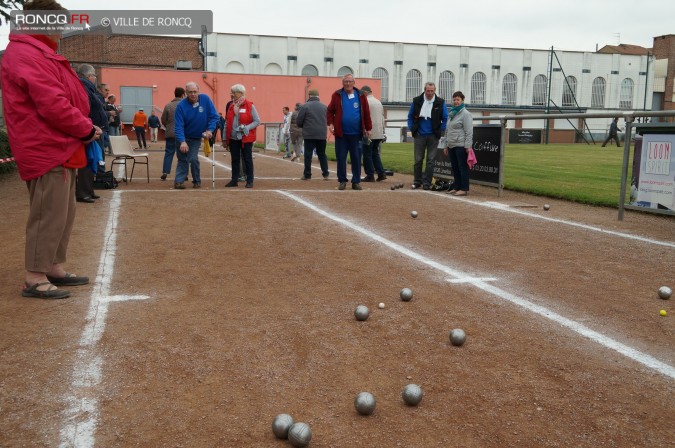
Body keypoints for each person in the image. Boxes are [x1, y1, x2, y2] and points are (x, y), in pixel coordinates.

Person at [1, 0, 102, 299]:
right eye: (57, 22)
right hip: (46, 144)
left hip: (59, 143)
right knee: (48, 213)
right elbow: (52, 103)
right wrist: (85, 127)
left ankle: (52, 266)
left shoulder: (37, 52)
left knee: (62, 212)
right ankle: (34, 276)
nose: (61, 28)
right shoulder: (27, 53)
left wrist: (82, 126)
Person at [326, 73, 372, 190]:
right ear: (343, 83)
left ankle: (356, 181)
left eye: (350, 81)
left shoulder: (361, 95)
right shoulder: (337, 95)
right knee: (341, 158)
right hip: (341, 134)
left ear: (354, 83)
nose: (348, 83)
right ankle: (342, 181)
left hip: (356, 134)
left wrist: (368, 128)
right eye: (345, 81)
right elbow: (330, 111)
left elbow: (366, 113)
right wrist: (330, 124)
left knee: (356, 158)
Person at [173, 81, 219, 189]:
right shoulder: (181, 106)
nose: (193, 94)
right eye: (190, 92)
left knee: (193, 158)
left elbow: (214, 117)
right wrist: (182, 141)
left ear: (198, 91)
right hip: (182, 137)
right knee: (182, 159)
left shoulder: (205, 99)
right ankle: (179, 181)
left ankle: (197, 180)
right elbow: (178, 126)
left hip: (195, 137)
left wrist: (210, 130)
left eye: (195, 91)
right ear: (186, 93)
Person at [407, 82, 449, 190]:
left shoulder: (440, 102)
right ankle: (417, 181)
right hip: (419, 135)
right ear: (424, 90)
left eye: (432, 91)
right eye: (428, 91)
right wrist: (412, 128)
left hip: (433, 136)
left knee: (430, 161)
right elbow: (410, 116)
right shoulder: (416, 101)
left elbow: (445, 118)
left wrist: (441, 129)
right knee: (418, 160)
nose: (430, 93)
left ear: (435, 91)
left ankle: (427, 183)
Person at [76, 64, 107, 203]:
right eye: (94, 75)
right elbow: (85, 110)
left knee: (93, 159)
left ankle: (88, 189)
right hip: (90, 130)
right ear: (89, 76)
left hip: (94, 129)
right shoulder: (84, 88)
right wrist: (91, 128)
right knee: (88, 160)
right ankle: (83, 192)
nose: (95, 78)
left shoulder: (88, 88)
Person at [225, 84, 260, 188]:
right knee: (235, 159)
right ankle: (234, 180)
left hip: (246, 138)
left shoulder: (250, 105)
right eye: (231, 92)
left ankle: (249, 180)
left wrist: (247, 128)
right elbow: (227, 122)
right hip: (233, 137)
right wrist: (224, 138)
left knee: (247, 159)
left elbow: (257, 121)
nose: (231, 94)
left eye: (233, 92)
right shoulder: (231, 106)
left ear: (240, 93)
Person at [443, 91, 474, 196]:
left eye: (458, 99)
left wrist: (467, 146)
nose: (456, 101)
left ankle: (464, 188)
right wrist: (445, 145)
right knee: (455, 167)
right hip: (451, 144)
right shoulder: (451, 114)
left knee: (462, 167)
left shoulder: (466, 114)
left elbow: (469, 131)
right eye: (454, 99)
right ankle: (457, 187)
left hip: (460, 145)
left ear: (462, 100)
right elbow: (447, 131)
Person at [297, 89, 330, 180]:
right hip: (321, 134)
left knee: (308, 155)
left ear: (309, 96)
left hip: (309, 134)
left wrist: (302, 126)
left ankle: (307, 174)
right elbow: (328, 120)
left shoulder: (305, 106)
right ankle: (326, 173)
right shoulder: (324, 106)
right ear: (318, 96)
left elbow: (299, 120)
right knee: (322, 154)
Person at [360, 85, 387, 182]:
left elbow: (363, 117)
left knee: (367, 153)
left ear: (365, 93)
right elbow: (382, 117)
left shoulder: (365, 102)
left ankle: (370, 174)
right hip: (379, 132)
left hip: (370, 131)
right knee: (375, 153)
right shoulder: (378, 102)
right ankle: (381, 173)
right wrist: (383, 132)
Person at [160, 87, 186, 181]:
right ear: (183, 94)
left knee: (169, 153)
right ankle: (184, 173)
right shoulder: (185, 105)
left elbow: (163, 120)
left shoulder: (168, 105)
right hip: (182, 133)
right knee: (183, 154)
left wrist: (168, 126)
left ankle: (165, 172)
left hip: (170, 132)